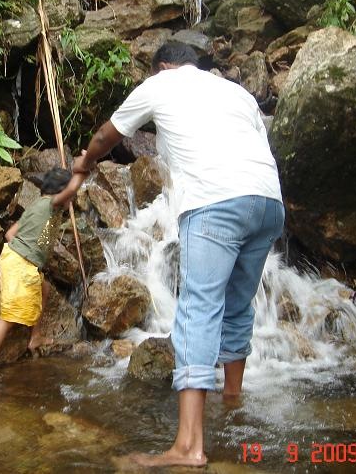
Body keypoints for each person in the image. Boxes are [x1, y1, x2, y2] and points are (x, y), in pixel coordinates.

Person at [70, 41, 284, 467]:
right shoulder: (235, 91)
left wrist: (85, 163)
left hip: (215, 202)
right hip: (268, 202)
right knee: (236, 306)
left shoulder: (161, 83)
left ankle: (188, 447)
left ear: (164, 66)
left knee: (198, 309)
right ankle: (232, 403)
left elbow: (107, 134)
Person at [0, 167, 85, 381]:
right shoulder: (51, 206)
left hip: (20, 260)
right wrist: (83, 169)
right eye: (71, 195)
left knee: (44, 288)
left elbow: (10, 234)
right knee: (10, 317)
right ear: (61, 192)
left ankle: (36, 337)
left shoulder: (37, 207)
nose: (73, 199)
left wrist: (28, 251)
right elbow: (71, 190)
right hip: (19, 263)